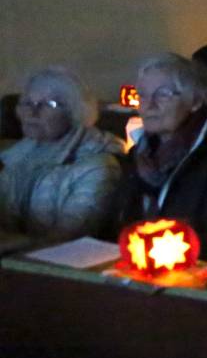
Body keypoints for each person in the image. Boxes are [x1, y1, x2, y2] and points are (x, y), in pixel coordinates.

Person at [115, 54, 207, 261]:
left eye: (163, 95)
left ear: (195, 101)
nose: (148, 106)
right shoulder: (139, 154)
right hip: (138, 266)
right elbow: (119, 221)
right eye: (142, 95)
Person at [0, 66, 123, 243]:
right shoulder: (14, 155)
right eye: (27, 103)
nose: (33, 113)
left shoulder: (98, 166)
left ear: (74, 111)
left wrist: (8, 245)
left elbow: (69, 237)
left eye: (49, 104)